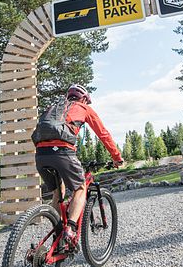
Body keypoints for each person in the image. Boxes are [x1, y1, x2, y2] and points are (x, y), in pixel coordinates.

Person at [32, 84, 123, 252]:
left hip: (40, 154)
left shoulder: (54, 107)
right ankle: (70, 230)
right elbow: (103, 134)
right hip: (63, 152)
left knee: (58, 193)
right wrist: (117, 158)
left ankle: (56, 234)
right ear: (84, 99)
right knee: (80, 187)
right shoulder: (84, 108)